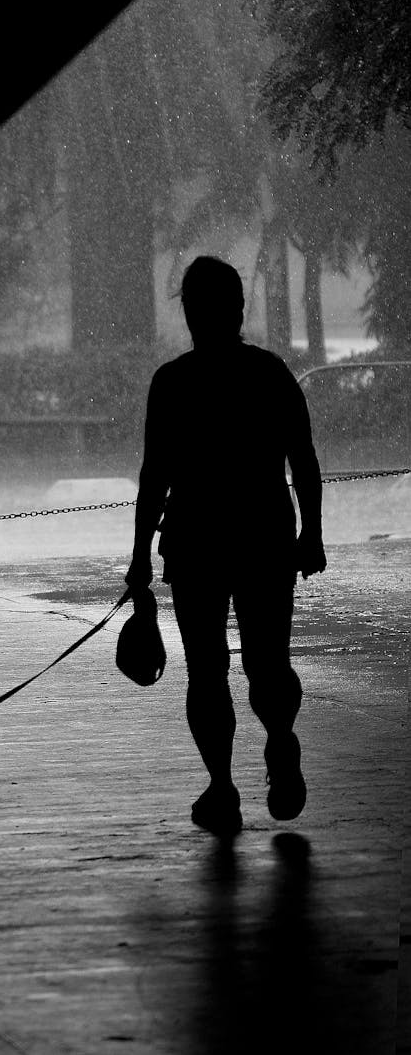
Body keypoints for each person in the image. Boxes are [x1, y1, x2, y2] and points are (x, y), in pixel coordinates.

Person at [126, 255, 326, 836]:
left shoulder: (172, 383)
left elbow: (152, 478)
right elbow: (304, 463)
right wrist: (310, 533)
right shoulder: (270, 373)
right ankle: (281, 739)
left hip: (195, 543)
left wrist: (140, 556)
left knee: (206, 670)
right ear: (239, 309)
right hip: (265, 537)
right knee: (268, 660)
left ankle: (221, 786)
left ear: (188, 311)